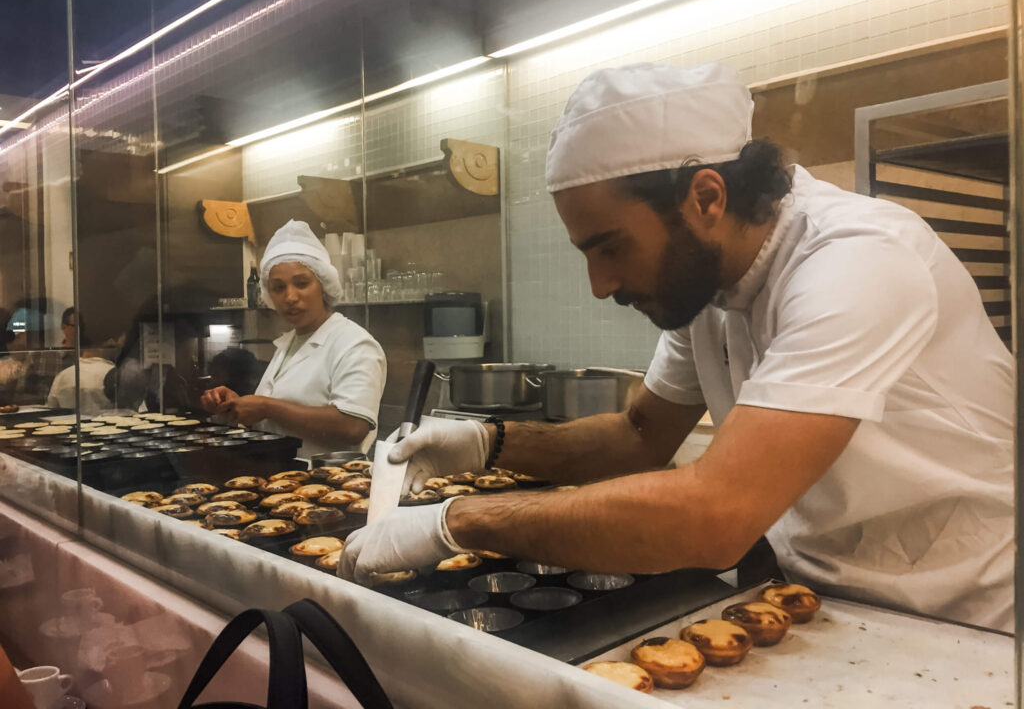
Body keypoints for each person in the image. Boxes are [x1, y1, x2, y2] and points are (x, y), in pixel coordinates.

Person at [339, 62, 1014, 632]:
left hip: (965, 619)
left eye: (610, 247)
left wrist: (458, 522)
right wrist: (488, 442)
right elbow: (638, 435)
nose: (601, 284)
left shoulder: (856, 261)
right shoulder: (710, 292)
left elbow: (716, 513)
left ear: (708, 197)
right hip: (817, 604)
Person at [200, 220, 386, 460]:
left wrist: (266, 407)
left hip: (327, 485)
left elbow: (353, 427)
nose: (290, 297)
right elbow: (280, 418)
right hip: (279, 479)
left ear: (323, 285)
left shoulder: (354, 344)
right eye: (278, 287)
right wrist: (238, 406)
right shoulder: (288, 345)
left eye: (301, 283)